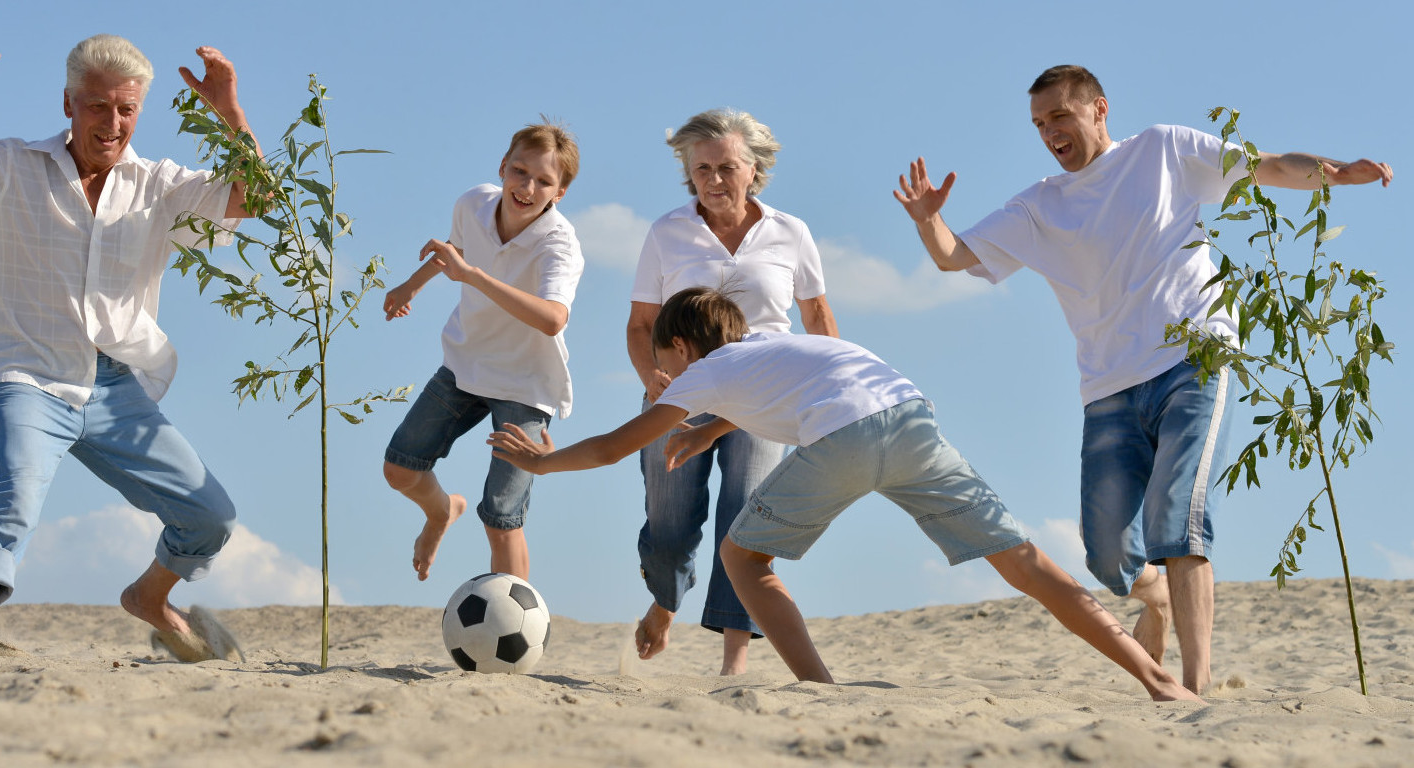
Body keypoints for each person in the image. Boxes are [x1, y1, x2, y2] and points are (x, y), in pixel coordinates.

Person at [892, 64, 1394, 694]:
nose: (1049, 132)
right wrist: (926, 220)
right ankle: (1154, 603)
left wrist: (1339, 173)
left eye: (1060, 117)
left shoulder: (1162, 150)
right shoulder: (1040, 204)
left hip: (1195, 360)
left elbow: (1268, 165)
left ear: (1098, 109)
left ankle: (1197, 688)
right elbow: (952, 256)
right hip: (1107, 389)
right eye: (1039, 124)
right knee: (1107, 553)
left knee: (1179, 517)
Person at [489, 287, 1200, 701]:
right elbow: (775, 393)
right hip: (912, 417)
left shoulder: (704, 373)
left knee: (745, 561)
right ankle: (1155, 679)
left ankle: (818, 690)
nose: (661, 375)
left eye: (661, 363)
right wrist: (708, 436)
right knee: (1022, 561)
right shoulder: (769, 350)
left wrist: (543, 465)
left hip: (848, 435)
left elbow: (617, 445)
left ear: (681, 348)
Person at [0, 30, 261, 660]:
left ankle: (150, 598)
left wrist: (231, 114)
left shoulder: (161, 186)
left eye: (127, 109)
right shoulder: (7, 168)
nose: (113, 123)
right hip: (27, 375)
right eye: (97, 106)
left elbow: (258, 200)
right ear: (68, 104)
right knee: (12, 498)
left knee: (210, 515)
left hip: (116, 386)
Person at [627, 108, 838, 675]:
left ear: (754, 169)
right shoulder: (666, 232)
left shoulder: (790, 232)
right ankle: (666, 600)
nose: (714, 180)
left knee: (745, 518)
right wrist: (652, 378)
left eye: (726, 167)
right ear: (687, 172)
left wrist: (828, 392)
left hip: (766, 396)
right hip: (681, 393)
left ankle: (733, 660)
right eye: (702, 169)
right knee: (668, 522)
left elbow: (817, 317)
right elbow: (641, 324)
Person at [381, 121, 583, 586]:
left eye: (544, 181)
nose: (527, 187)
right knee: (399, 469)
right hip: (464, 365)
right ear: (503, 167)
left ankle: (514, 640)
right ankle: (441, 513)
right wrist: (410, 285)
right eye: (520, 171)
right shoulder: (474, 202)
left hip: (525, 385)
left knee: (501, 516)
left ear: (561, 192)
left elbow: (553, 318)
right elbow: (456, 249)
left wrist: (471, 276)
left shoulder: (560, 244)